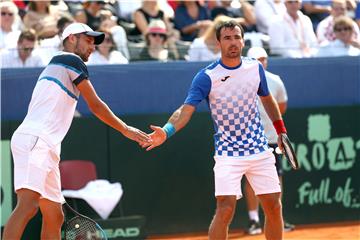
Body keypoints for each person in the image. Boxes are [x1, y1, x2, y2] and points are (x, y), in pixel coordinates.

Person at [1, 22, 151, 240]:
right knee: (28, 206)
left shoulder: (61, 64)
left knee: (54, 215)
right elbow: (95, 104)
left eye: (94, 42)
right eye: (88, 40)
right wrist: (125, 129)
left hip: (47, 145)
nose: (92, 46)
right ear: (71, 38)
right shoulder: (70, 59)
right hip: (36, 139)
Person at [142, 20, 287, 240]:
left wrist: (281, 130)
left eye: (237, 37)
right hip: (228, 152)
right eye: (227, 38)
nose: (233, 42)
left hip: (259, 148)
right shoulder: (206, 76)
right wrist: (167, 130)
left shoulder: (255, 68)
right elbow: (185, 110)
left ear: (243, 41)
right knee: (225, 209)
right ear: (218, 42)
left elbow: (267, 98)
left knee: (274, 206)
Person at [244, 46, 294, 235]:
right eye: (257, 59)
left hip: (272, 140)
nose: (262, 62)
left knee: (276, 179)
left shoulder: (275, 81)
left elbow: (280, 108)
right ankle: (253, 220)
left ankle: (276, 217)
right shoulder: (241, 82)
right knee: (251, 180)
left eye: (264, 59)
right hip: (250, 141)